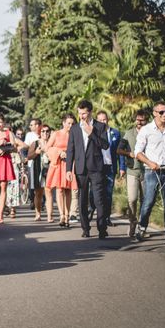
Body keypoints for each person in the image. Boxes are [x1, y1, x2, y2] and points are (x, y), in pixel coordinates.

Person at [135, 101, 165, 244]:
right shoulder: (146, 130)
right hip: (151, 171)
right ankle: (142, 227)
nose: (164, 115)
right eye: (161, 112)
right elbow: (138, 152)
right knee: (148, 202)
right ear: (154, 113)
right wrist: (150, 163)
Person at [66, 99, 110, 239]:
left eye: (84, 113)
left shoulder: (100, 127)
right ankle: (85, 228)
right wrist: (68, 169)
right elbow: (70, 150)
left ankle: (102, 228)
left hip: (96, 168)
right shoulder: (74, 129)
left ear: (90, 112)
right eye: (79, 113)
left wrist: (91, 133)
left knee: (99, 200)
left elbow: (105, 145)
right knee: (82, 199)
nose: (81, 116)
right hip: (80, 169)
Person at [116, 109, 149, 238]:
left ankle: (143, 226)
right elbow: (119, 149)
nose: (139, 122)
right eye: (138, 119)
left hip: (147, 171)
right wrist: (128, 153)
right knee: (132, 199)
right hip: (132, 170)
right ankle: (132, 222)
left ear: (147, 120)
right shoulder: (128, 134)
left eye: (142, 120)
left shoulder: (150, 133)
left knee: (146, 200)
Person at [45, 114, 77, 227]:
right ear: (63, 123)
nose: (70, 125)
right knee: (59, 190)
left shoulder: (75, 134)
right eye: (68, 123)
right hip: (58, 164)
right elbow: (47, 148)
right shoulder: (56, 134)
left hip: (70, 164)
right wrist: (59, 152)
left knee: (68, 190)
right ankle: (61, 215)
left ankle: (68, 215)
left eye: (72, 123)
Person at [95, 111, 125, 227]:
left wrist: (122, 167)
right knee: (96, 194)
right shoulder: (94, 133)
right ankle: (96, 212)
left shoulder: (115, 133)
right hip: (97, 168)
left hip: (110, 167)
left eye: (104, 119)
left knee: (108, 194)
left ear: (108, 120)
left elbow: (120, 152)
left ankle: (106, 217)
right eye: (100, 120)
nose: (103, 122)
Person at [24, 118, 42, 210]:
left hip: (43, 162)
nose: (30, 126)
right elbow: (26, 146)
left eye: (32, 125)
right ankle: (32, 200)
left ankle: (41, 202)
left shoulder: (43, 133)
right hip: (32, 162)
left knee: (42, 184)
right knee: (33, 184)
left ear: (37, 125)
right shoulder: (29, 135)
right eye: (30, 125)